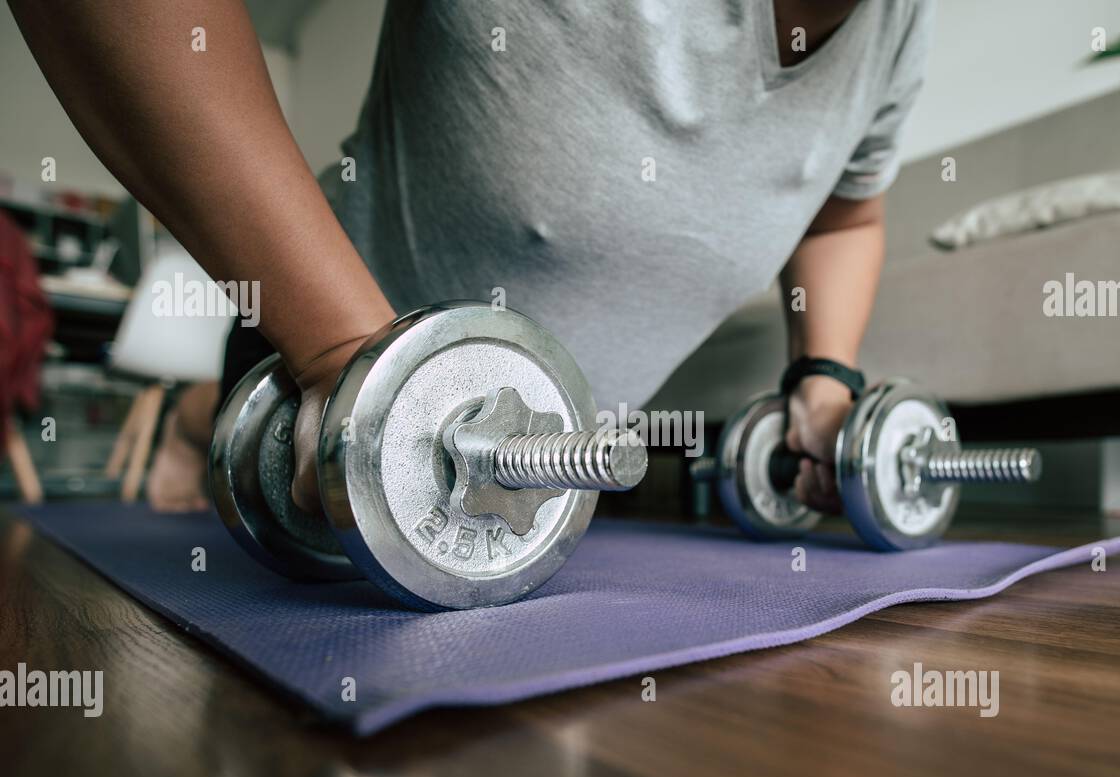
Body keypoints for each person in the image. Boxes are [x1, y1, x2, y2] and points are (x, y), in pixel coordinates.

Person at [12, 0, 932, 515]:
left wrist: (824, 375)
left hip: (541, 471)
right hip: (312, 367)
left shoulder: (900, 26)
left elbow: (841, 216)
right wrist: (345, 358)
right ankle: (197, 418)